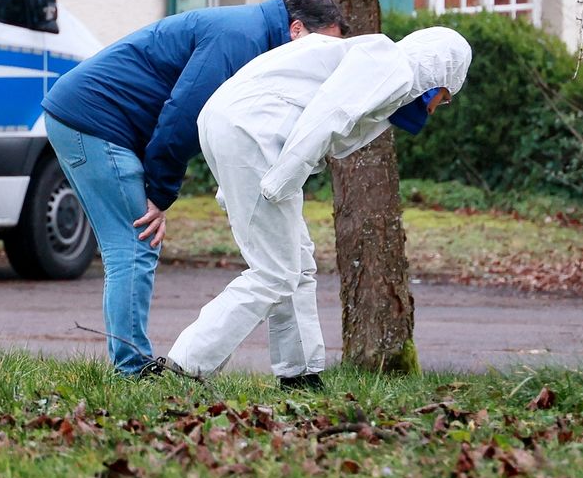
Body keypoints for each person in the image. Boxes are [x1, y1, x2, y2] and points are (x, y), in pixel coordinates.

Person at [41, 0, 345, 375]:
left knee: (135, 245)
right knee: (134, 244)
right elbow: (185, 115)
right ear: (297, 30)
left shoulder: (251, 33)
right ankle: (131, 371)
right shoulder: (239, 37)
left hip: (93, 119)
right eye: (326, 48)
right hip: (92, 121)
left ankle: (131, 365)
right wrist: (160, 192)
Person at [150, 26, 473, 388]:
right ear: (441, 75)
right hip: (257, 133)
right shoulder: (392, 67)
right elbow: (329, 114)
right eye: (444, 98)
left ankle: (300, 372)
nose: (437, 108)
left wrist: (256, 182)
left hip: (241, 125)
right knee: (274, 273)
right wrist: (283, 178)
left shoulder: (375, 60)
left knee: (298, 261)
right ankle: (184, 367)